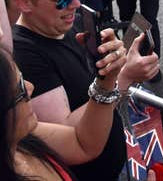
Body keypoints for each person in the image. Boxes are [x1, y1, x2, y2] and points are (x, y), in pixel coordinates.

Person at [9, 0, 159, 180]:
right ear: (24, 1)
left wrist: (114, 58)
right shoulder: (24, 53)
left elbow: (93, 92)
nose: (77, 4)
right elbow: (72, 135)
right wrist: (123, 77)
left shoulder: (65, 24)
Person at [0, 43, 124, 180]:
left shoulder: (23, 136)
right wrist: (125, 78)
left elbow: (83, 144)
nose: (31, 87)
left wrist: (107, 79)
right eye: (20, 89)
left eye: (23, 78)